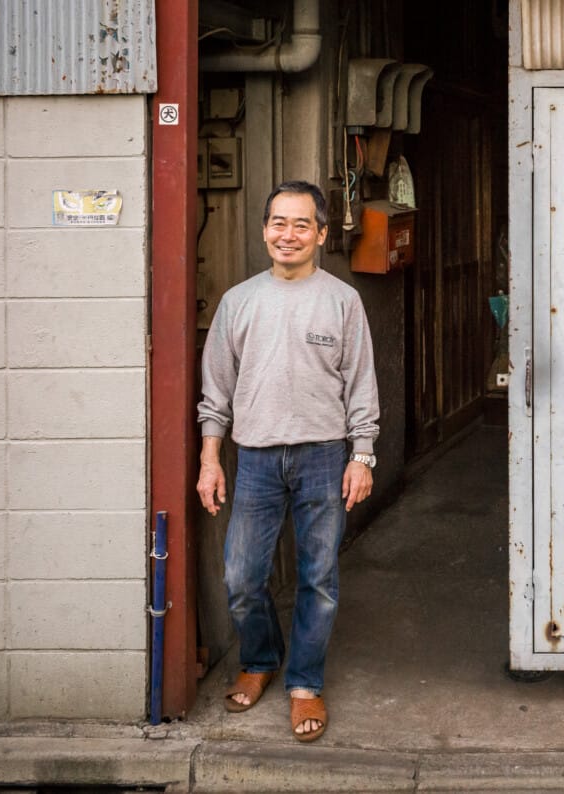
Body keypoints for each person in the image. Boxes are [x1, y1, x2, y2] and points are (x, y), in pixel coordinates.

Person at [196, 180, 380, 742]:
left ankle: (304, 684)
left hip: (324, 456)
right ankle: (261, 658)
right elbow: (216, 393)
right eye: (279, 222)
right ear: (264, 229)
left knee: (317, 579)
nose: (288, 234)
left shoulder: (342, 300)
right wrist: (210, 459)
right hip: (253, 458)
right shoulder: (239, 301)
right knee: (241, 576)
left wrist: (363, 455)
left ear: (322, 234)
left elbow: (361, 386)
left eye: (302, 224)